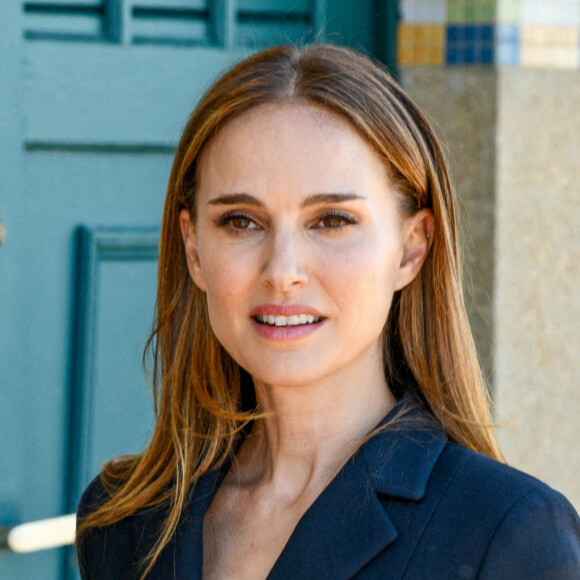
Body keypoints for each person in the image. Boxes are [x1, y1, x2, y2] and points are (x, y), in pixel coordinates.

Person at [76, 44, 580, 580]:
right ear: (194, 248)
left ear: (412, 248)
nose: (282, 270)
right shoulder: (123, 520)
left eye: (333, 220)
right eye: (242, 221)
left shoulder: (508, 533)